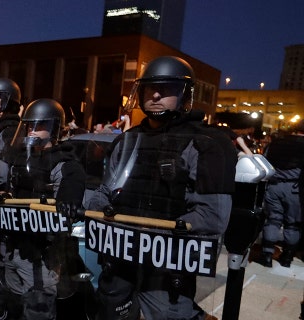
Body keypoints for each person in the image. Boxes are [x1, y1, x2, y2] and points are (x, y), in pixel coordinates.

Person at [81, 56, 237, 319]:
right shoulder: (127, 141)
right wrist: (77, 201)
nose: (155, 95)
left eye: (165, 89)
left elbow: (213, 217)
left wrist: (148, 234)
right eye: (149, 89)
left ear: (183, 94)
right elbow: (105, 194)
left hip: (168, 266)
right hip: (120, 258)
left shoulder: (206, 144)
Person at [0, 98, 87, 319]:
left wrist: (68, 201)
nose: (33, 131)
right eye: (30, 125)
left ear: (55, 128)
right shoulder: (16, 157)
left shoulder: (63, 161)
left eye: (40, 126)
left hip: (41, 254)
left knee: (38, 308)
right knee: (12, 305)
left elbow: (73, 182)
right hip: (12, 245)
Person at [256, 123, 304, 268]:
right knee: (293, 224)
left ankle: (267, 256)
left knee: (273, 220)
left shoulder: (276, 143)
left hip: (274, 186)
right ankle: (287, 257)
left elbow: (264, 162)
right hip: (295, 188)